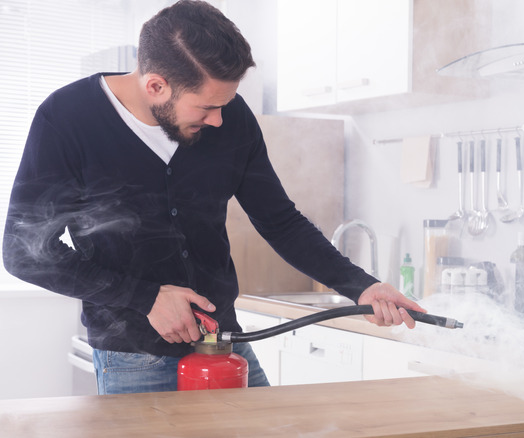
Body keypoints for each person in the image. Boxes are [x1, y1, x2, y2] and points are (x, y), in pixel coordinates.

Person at [2, 0, 424, 394]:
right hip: (133, 359)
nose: (220, 120)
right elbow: (24, 252)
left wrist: (362, 287)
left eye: (226, 103)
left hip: (226, 345)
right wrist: (144, 297)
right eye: (205, 109)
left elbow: (280, 221)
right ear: (155, 86)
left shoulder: (232, 118)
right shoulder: (67, 120)